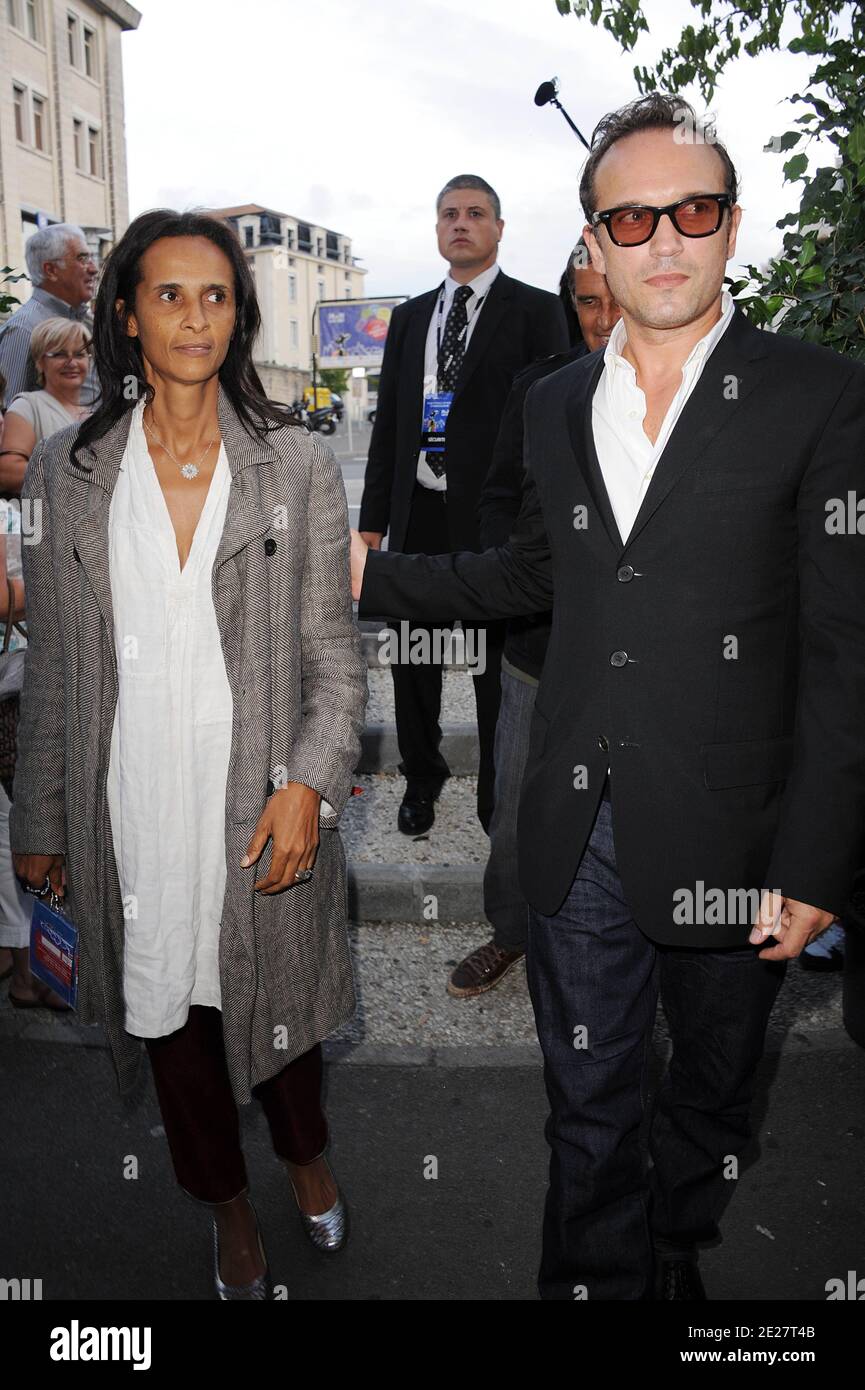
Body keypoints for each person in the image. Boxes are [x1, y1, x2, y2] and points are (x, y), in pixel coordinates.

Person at [351, 94, 865, 1300]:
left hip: (739, 834)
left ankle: (674, 1242)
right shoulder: (547, 404)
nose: (664, 239)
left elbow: (847, 654)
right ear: (591, 244)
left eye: (691, 208)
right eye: (629, 218)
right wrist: (375, 574)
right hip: (575, 825)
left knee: (711, 1096)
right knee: (587, 1110)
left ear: (730, 225)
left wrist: (817, 864)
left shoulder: (819, 396)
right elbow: (533, 570)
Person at [10, 209, 367, 1300]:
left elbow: (336, 663)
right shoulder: (67, 473)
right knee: (170, 1024)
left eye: (215, 294)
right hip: (134, 808)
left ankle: (303, 1153)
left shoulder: (296, 465)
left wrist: (310, 782)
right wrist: (42, 821)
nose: (195, 315)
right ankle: (225, 1212)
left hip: (257, 797)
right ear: (123, 313)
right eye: (168, 293)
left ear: (239, 314)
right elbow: (58, 666)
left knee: (282, 1014)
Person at [358, 175, 567, 836]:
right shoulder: (411, 317)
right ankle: (423, 776)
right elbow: (390, 422)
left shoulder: (535, 312)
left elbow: (551, 421)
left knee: (489, 662)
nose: (460, 224)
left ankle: (496, 793)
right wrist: (371, 522)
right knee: (413, 657)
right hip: (416, 508)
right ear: (436, 227)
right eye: (449, 214)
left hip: (491, 521)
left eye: (475, 214)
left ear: (498, 228)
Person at [449, 242, 622, 998]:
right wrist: (515, 570)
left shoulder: (697, 393)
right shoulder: (539, 388)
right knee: (517, 805)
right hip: (536, 648)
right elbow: (493, 496)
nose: (605, 319)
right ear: (569, 308)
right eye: (587, 303)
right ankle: (511, 932)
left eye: (615, 299)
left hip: (644, 655)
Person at [0, 224, 99, 409]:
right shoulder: (23, 329)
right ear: (51, 270)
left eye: (91, 258)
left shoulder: (88, 322)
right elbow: (10, 412)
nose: (94, 269)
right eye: (82, 258)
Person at [0, 319, 93, 493]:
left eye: (79, 354)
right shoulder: (27, 407)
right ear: (40, 362)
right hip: (40, 517)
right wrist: (76, 473)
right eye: (59, 354)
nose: (71, 363)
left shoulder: (95, 415)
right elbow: (7, 473)